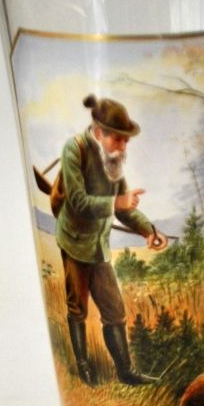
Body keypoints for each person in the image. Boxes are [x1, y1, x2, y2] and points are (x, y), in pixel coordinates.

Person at [56, 93, 167, 386]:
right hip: (74, 243)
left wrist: (149, 231)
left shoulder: (114, 161)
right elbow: (79, 202)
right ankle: (84, 370)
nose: (123, 146)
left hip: (98, 248)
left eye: (126, 140)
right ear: (99, 132)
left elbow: (125, 208)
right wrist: (117, 202)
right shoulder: (74, 149)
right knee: (77, 308)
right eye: (118, 139)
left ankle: (126, 372)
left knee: (114, 310)